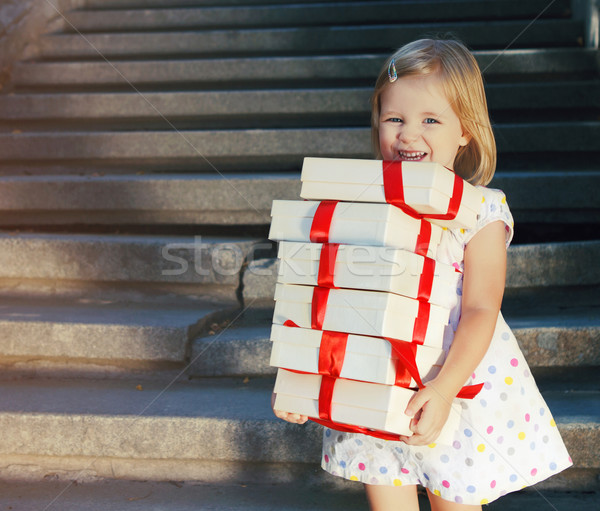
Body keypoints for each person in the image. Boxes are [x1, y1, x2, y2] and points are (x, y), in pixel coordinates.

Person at [273, 38, 572, 509]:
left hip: (449, 383)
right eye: (395, 119)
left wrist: (446, 387)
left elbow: (480, 307)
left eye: (430, 119)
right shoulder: (360, 207)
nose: (409, 134)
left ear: (465, 131)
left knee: (454, 501)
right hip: (373, 378)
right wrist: (302, 379)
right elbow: (333, 298)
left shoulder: (480, 212)